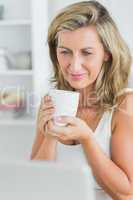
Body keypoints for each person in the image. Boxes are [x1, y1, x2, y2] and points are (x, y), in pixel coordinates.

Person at [30, 1, 133, 199]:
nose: (74, 66)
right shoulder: (51, 101)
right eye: (65, 52)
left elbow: (126, 193)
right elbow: (37, 181)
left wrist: (87, 139)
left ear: (107, 53)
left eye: (86, 52)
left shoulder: (125, 104)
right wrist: (51, 135)